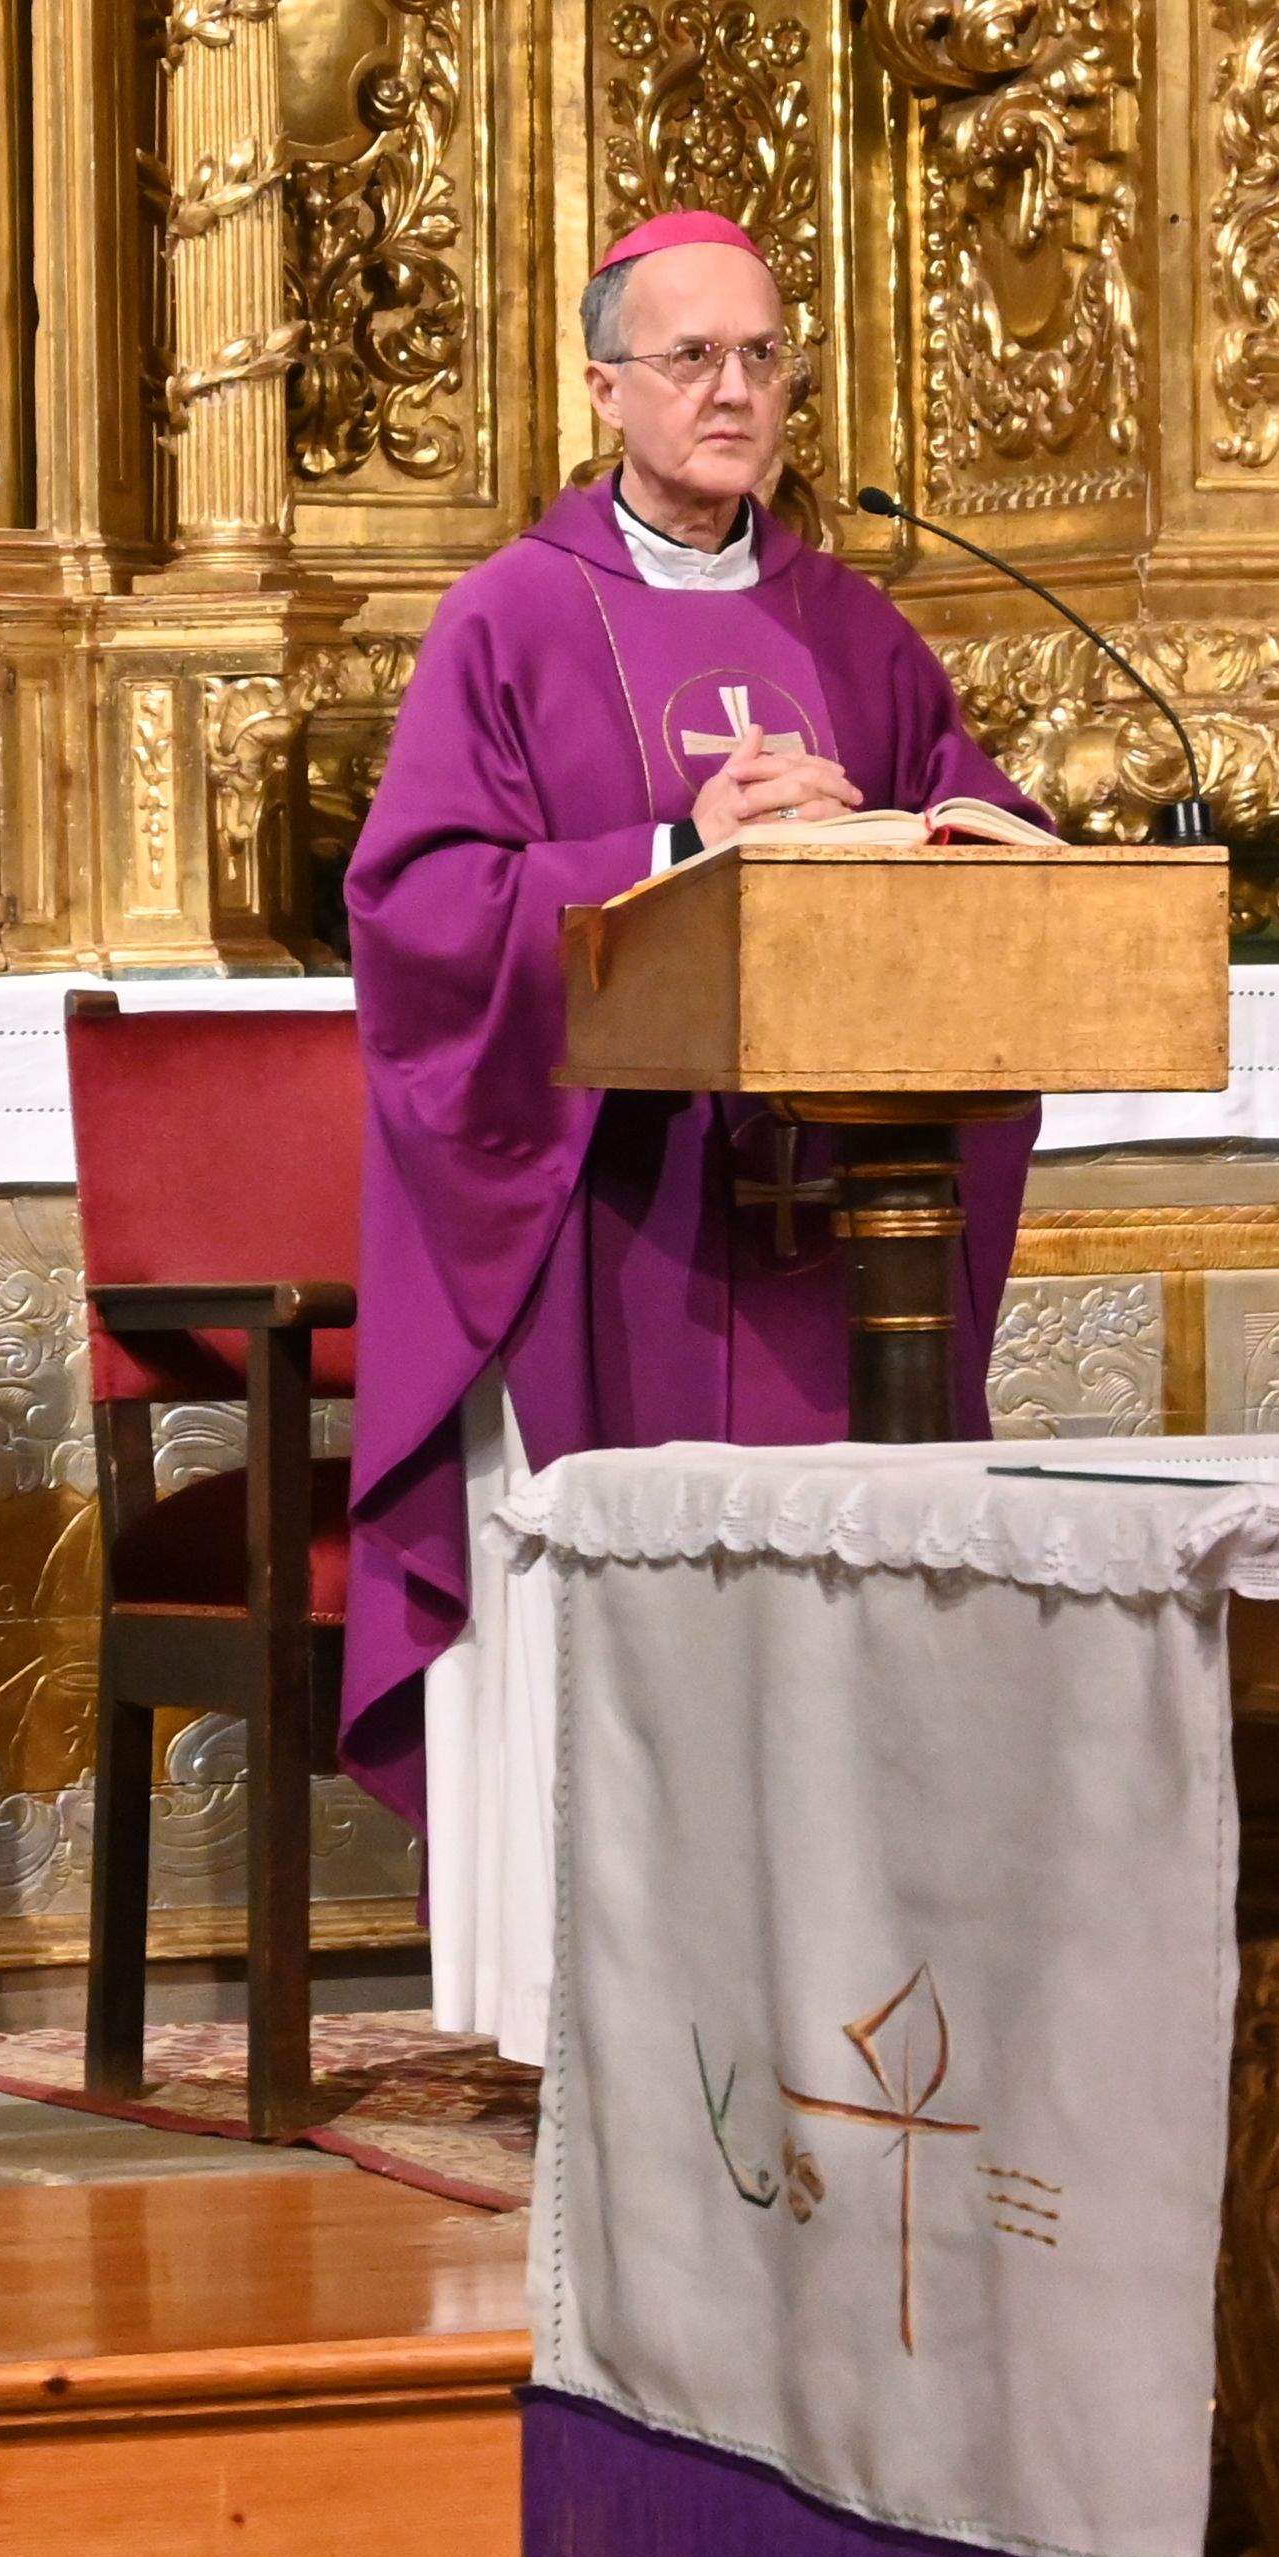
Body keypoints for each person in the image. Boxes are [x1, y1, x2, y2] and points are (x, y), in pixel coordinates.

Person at [340, 207, 1034, 2065]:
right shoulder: (511, 616)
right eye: (690, 358)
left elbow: (987, 841)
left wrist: (895, 838)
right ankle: (598, 2019)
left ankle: (828, 2000)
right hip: (605, 1230)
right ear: (604, 388)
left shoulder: (850, 624)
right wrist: (672, 851)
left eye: (761, 357)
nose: (733, 392)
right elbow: (418, 910)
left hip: (828, 1236)